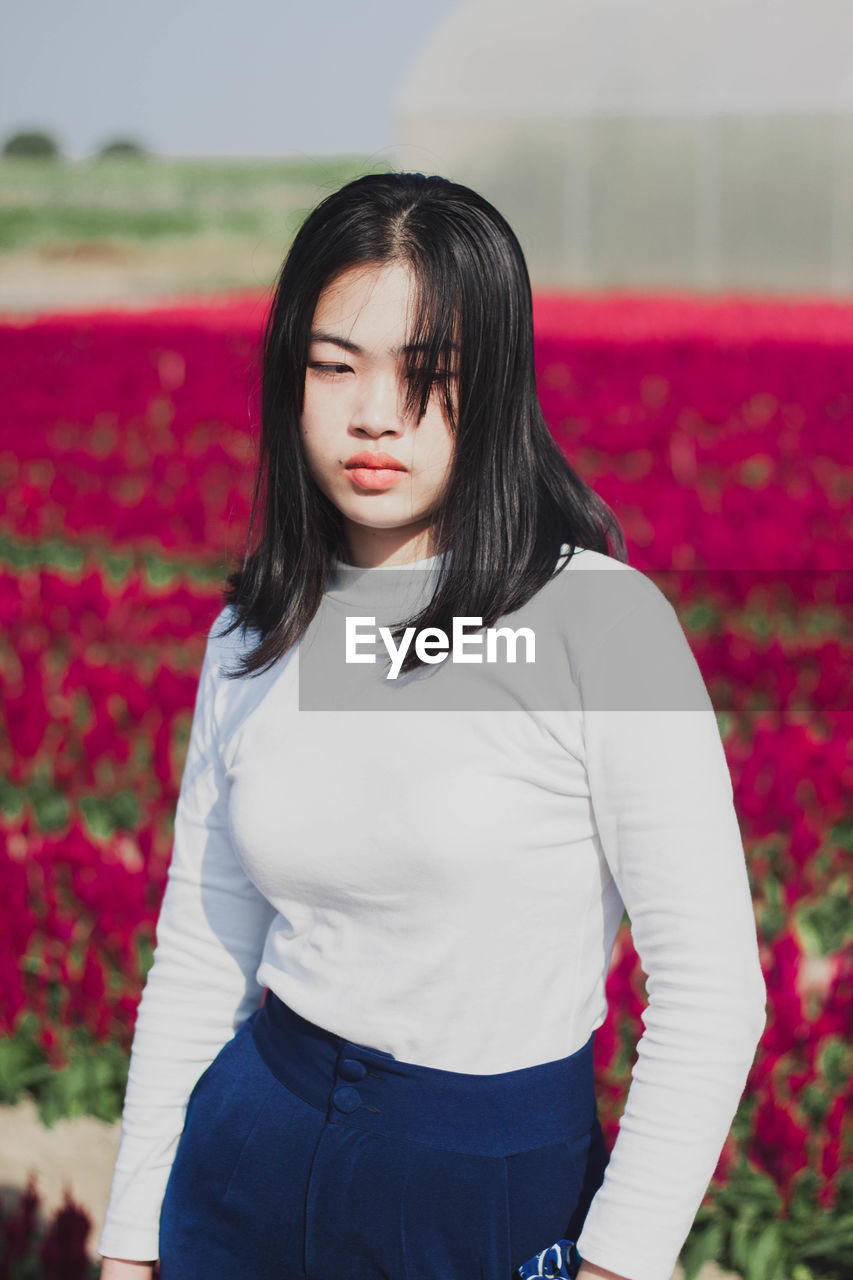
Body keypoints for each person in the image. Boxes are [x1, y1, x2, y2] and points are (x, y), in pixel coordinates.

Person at [97, 171, 767, 1280]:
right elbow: (202, 950)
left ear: (495, 388)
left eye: (429, 375)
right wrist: (130, 1238)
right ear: (288, 377)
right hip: (245, 1159)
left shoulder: (595, 624)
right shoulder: (254, 628)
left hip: (482, 1189)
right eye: (333, 365)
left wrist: (616, 1262)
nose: (375, 414)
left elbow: (712, 993)